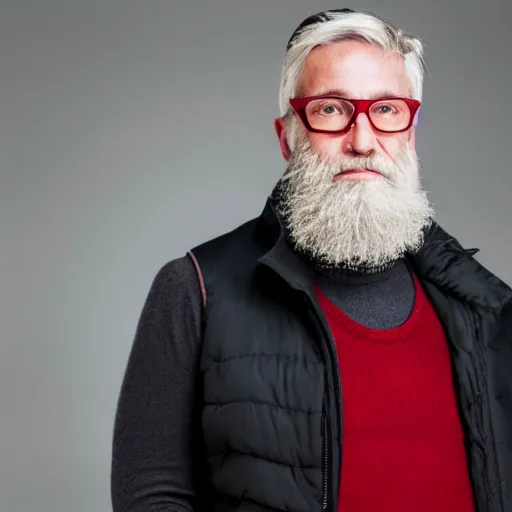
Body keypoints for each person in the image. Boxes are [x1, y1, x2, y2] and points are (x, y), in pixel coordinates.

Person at [111, 8, 512, 512]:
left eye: (386, 110)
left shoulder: (482, 307)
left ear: (410, 134)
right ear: (288, 138)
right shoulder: (194, 289)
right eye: (331, 110)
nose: (363, 141)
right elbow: (151, 494)